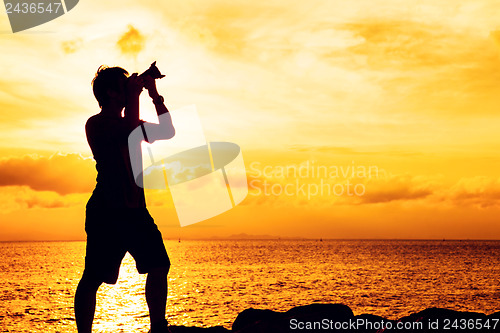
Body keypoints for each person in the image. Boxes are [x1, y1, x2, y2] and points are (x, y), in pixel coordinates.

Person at [74, 65, 175, 333]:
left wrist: (154, 94)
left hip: (134, 210)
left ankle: (157, 328)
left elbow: (167, 131)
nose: (129, 88)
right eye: (123, 85)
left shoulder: (129, 123)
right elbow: (130, 130)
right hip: (106, 211)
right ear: (110, 93)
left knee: (159, 265)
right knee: (93, 277)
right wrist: (135, 94)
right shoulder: (97, 124)